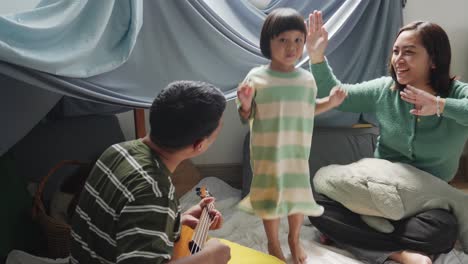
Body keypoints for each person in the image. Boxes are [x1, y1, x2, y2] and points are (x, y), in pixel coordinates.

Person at [306, 10, 468, 264]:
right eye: (396, 52)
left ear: (434, 60)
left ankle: (356, 239)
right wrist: (316, 56)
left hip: (426, 205)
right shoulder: (385, 90)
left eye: (409, 52)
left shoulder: (457, 94)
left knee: (442, 230)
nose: (398, 60)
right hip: (378, 195)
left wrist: (439, 105)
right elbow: (335, 95)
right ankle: (399, 253)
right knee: (315, 205)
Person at [70, 81, 231, 264]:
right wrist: (210, 256)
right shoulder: (155, 192)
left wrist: (175, 221)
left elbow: (118, 218)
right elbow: (144, 200)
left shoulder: (117, 151)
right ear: (199, 145)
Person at [236, 8, 347, 264]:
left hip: (297, 154)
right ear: (268, 43)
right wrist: (245, 103)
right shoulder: (257, 77)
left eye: (298, 40)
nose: (292, 47)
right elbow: (245, 114)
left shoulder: (306, 79)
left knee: (297, 199)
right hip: (268, 155)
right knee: (270, 201)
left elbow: (309, 109)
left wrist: (329, 103)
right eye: (283, 40)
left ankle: (294, 240)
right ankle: (273, 244)